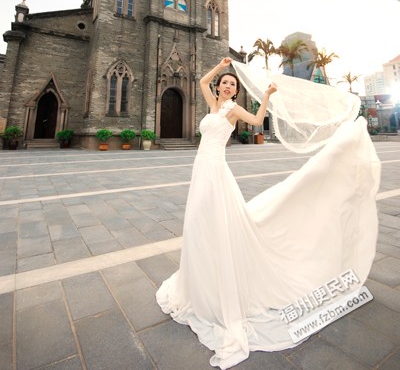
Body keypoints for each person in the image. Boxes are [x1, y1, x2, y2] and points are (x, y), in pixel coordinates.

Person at [156, 58, 381, 369]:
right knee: (198, 222)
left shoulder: (233, 110)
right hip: (201, 169)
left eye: (232, 85)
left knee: (214, 220)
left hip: (216, 171)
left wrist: (267, 95)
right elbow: (202, 82)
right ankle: (201, 274)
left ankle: (219, 275)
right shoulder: (212, 104)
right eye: (225, 83)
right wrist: (220, 65)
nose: (228, 86)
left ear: (235, 91)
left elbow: (257, 118)